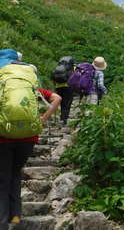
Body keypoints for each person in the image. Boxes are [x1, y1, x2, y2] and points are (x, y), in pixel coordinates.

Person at [0, 50, 62, 229]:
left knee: (2, 179)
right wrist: (42, 119)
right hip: (28, 138)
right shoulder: (29, 83)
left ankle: (3, 223)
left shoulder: (2, 82)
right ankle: (16, 219)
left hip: (3, 137)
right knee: (15, 174)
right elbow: (57, 98)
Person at [51, 56, 75, 126]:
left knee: (62, 103)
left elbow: (52, 78)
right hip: (68, 87)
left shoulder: (57, 68)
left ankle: (62, 117)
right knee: (67, 103)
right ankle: (64, 119)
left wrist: (55, 88)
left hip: (58, 88)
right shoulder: (71, 68)